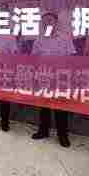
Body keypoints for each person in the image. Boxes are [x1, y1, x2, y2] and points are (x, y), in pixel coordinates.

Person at [30, 12, 76, 148]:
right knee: (44, 107)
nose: (47, 23)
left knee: (61, 108)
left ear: (56, 22)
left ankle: (63, 135)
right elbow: (34, 59)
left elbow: (72, 58)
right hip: (43, 76)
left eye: (50, 20)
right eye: (45, 21)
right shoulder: (39, 39)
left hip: (60, 78)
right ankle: (43, 131)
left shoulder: (65, 38)